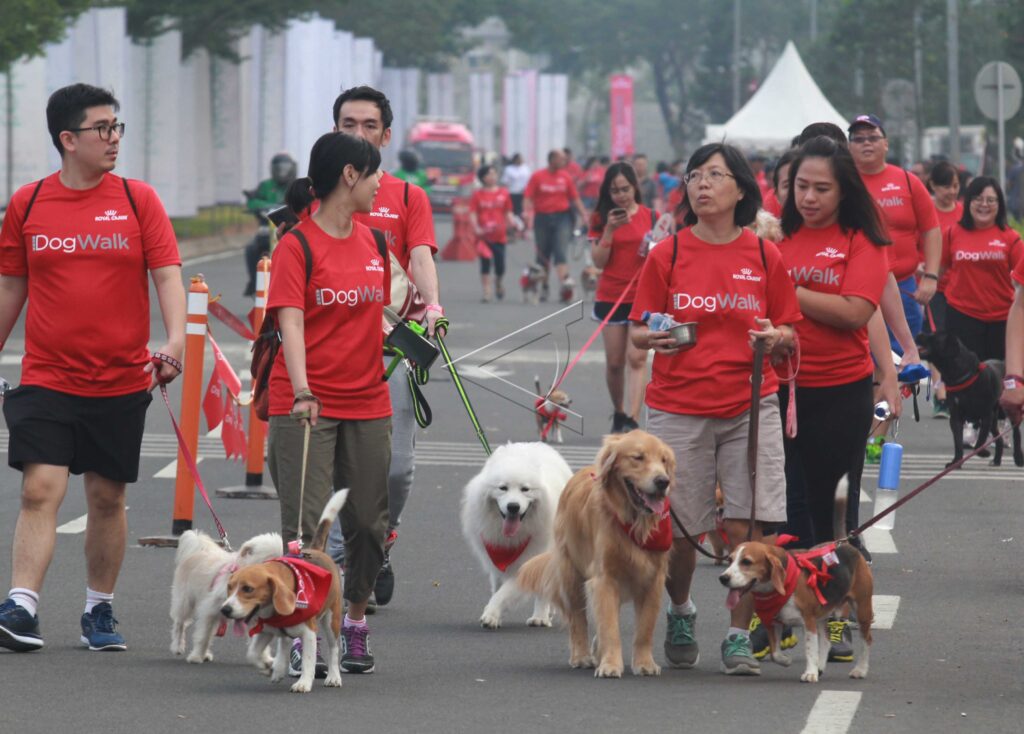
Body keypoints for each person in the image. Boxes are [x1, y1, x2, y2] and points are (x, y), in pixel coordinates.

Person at [0, 83, 185, 653]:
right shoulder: (28, 204)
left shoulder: (137, 200)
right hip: (48, 377)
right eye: (102, 128)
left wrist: (174, 341)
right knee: (41, 487)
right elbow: (11, 285)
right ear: (67, 139)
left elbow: (168, 275)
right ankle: (22, 607)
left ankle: (98, 609)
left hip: (120, 379)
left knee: (107, 498)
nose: (113, 138)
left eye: (116, 126)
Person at [629, 143, 802, 676]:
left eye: (715, 175)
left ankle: (736, 636)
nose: (702, 184)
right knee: (681, 531)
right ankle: (681, 611)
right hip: (678, 408)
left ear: (741, 190)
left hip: (751, 406)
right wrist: (657, 339)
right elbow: (638, 329)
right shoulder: (669, 254)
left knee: (748, 528)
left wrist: (774, 337)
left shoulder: (764, 255)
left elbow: (790, 329)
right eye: (694, 176)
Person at [770, 136, 899, 662]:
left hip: (841, 392)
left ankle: (839, 617)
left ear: (845, 191)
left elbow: (853, 311)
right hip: (779, 388)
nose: (809, 197)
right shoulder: (775, 236)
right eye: (801, 186)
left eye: (822, 188)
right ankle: (789, 619)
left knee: (832, 517)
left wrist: (783, 289)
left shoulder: (863, 241)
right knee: (787, 514)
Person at [269, 131, 391, 676]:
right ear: (349, 176)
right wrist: (301, 389)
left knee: (366, 523)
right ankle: (301, 632)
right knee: (307, 528)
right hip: (305, 402)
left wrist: (416, 330)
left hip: (368, 399)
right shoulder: (297, 245)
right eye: (373, 174)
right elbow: (289, 320)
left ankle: (355, 621)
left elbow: (379, 313)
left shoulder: (376, 243)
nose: (379, 183)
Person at [328, 86, 442, 611]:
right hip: (328, 347)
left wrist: (433, 308)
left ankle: (380, 539)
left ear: (386, 135)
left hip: (391, 346)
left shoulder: (405, 196)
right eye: (347, 124)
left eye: (368, 125)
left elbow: (419, 256)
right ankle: (342, 569)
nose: (357, 134)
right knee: (334, 464)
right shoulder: (313, 192)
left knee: (394, 468)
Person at [848, 115, 940, 350]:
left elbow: (931, 229)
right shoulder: (843, 185)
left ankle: (920, 389)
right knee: (867, 360)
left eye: (872, 137)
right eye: (858, 139)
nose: (866, 143)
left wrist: (930, 276)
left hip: (903, 286)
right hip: (855, 291)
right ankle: (880, 389)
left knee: (911, 358)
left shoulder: (908, 181)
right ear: (849, 147)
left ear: (886, 144)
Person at [587, 162, 654, 434]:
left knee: (636, 359)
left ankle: (633, 419)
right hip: (611, 297)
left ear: (635, 187)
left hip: (643, 297)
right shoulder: (601, 217)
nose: (621, 196)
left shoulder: (651, 216)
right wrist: (610, 231)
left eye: (625, 189)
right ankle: (618, 412)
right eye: (615, 191)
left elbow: (662, 255)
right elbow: (599, 262)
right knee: (615, 363)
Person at [940, 176, 1023, 363]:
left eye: (991, 200)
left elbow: (1021, 280)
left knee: (1000, 381)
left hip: (1001, 320)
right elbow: (938, 272)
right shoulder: (952, 233)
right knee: (964, 379)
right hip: (961, 316)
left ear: (999, 204)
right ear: (968, 201)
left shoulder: (1011, 238)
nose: (984, 205)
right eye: (977, 198)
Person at [523, 149, 588, 302]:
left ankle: (565, 287)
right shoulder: (538, 176)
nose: (565, 161)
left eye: (565, 159)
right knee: (543, 254)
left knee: (560, 251)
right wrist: (527, 213)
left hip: (562, 218)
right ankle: (544, 286)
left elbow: (575, 198)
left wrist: (584, 215)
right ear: (551, 160)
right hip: (542, 218)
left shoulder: (565, 177)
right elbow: (528, 197)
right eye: (561, 159)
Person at [926, 160, 963, 417]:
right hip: (934, 288)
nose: (952, 191)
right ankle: (940, 393)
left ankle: (956, 389)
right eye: (946, 186)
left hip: (959, 288)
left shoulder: (964, 213)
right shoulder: (927, 212)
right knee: (937, 338)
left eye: (956, 186)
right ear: (933, 186)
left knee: (956, 340)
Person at [244, 152, 297, 296]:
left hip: (293, 229)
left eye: (285, 167)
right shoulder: (265, 186)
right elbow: (252, 201)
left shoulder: (297, 185)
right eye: (278, 167)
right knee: (251, 249)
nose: (282, 171)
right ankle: (255, 283)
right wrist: (269, 206)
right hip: (267, 229)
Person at [469, 164, 517, 302]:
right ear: (483, 178)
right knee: (485, 263)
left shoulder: (504, 193)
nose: (492, 177)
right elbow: (472, 213)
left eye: (494, 174)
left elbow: (508, 211)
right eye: (489, 174)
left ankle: (498, 282)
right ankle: (487, 291)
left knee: (500, 265)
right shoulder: (477, 195)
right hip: (483, 236)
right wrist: (476, 227)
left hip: (499, 235)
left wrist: (513, 223)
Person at [500, 153, 531, 220]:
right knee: (512, 210)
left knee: (522, 211)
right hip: (512, 192)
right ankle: (513, 225)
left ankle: (522, 225)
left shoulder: (525, 168)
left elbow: (529, 180)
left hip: (523, 193)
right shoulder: (509, 169)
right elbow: (505, 181)